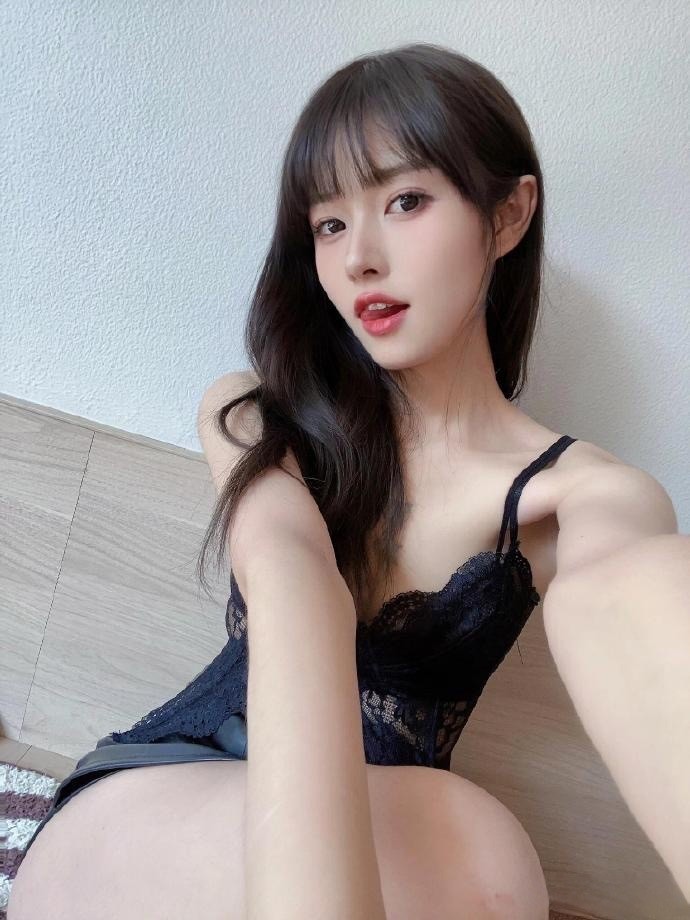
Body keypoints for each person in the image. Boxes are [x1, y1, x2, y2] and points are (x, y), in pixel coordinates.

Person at [11, 40, 643, 919]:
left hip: (395, 827)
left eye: (405, 200)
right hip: (172, 788)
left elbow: (643, 597)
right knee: (480, 844)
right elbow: (293, 587)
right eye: (329, 224)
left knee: (491, 858)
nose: (359, 260)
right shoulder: (254, 415)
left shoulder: (575, 496)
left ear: (507, 215)